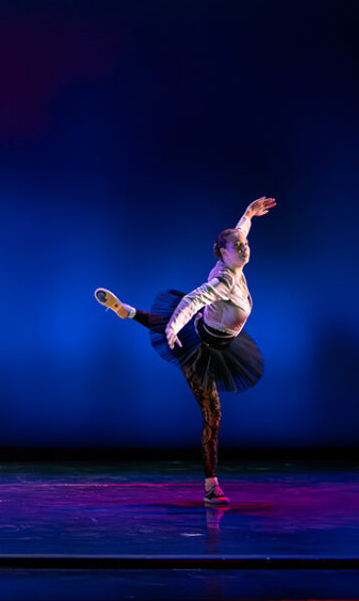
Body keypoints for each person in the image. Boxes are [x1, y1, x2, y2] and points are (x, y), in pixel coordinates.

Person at [94, 196, 276, 506]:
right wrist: (172, 329)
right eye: (238, 246)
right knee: (213, 416)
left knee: (182, 326)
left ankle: (128, 312)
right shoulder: (222, 280)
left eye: (245, 244)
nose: (245, 248)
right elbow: (192, 301)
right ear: (222, 253)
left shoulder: (234, 257)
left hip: (218, 337)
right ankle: (210, 486)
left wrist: (249, 214)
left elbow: (239, 231)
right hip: (201, 350)